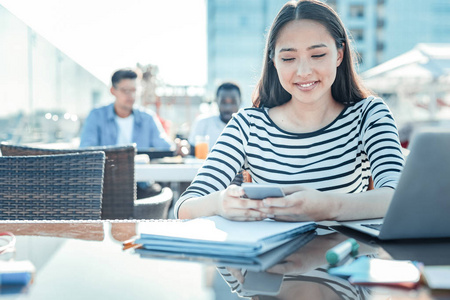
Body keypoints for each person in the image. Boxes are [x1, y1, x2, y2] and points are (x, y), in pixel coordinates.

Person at [175, 0, 404, 221]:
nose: (303, 71)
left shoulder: (368, 116)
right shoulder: (248, 125)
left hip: (347, 258)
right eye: (289, 58)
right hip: (270, 259)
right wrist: (220, 203)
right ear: (274, 61)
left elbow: (399, 196)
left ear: (339, 54)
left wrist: (328, 207)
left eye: (317, 55)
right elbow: (185, 206)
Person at [80, 68, 174, 198]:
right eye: (125, 90)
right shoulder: (96, 116)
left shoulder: (147, 118)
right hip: (105, 184)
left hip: (141, 184)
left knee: (161, 195)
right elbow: (86, 150)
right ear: (113, 91)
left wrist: (178, 147)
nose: (131, 96)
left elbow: (165, 146)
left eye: (134, 90)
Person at [188, 82, 242, 150]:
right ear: (216, 101)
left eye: (233, 102)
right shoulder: (202, 123)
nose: (228, 107)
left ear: (240, 101)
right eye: (223, 102)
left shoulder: (248, 128)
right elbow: (192, 152)